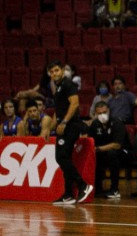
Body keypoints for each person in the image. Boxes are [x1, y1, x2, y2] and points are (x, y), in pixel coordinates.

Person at [49, 62, 94, 206]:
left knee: (61, 157)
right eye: (51, 71)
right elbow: (58, 110)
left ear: (62, 70)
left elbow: (74, 104)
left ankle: (83, 185)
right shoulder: (58, 87)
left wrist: (64, 122)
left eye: (56, 70)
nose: (54, 73)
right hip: (63, 126)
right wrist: (49, 128)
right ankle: (68, 194)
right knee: (64, 158)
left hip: (71, 126)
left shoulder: (68, 84)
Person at [88, 102, 128, 200]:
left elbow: (117, 145)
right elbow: (90, 141)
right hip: (104, 153)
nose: (102, 115)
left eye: (104, 112)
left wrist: (98, 149)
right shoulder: (95, 124)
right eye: (99, 113)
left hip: (124, 153)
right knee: (94, 155)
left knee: (112, 153)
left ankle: (114, 190)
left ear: (109, 111)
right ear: (95, 114)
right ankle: (97, 188)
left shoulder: (117, 123)